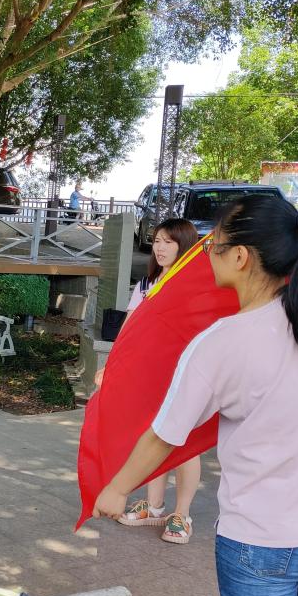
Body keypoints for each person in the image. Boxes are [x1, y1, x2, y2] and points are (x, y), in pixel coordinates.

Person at [93, 194, 298, 596]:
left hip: (258, 540)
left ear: (240, 257)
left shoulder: (222, 341)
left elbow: (164, 434)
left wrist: (116, 489)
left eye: (213, 244)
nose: (206, 255)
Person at [98, 218, 202, 543]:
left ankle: (182, 515)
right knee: (151, 436)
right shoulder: (146, 285)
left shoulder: (195, 285)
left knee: (184, 443)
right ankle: (154, 506)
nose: (160, 247)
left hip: (186, 374)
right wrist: (111, 366)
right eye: (157, 241)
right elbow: (128, 329)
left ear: (184, 246)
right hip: (150, 375)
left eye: (168, 242)